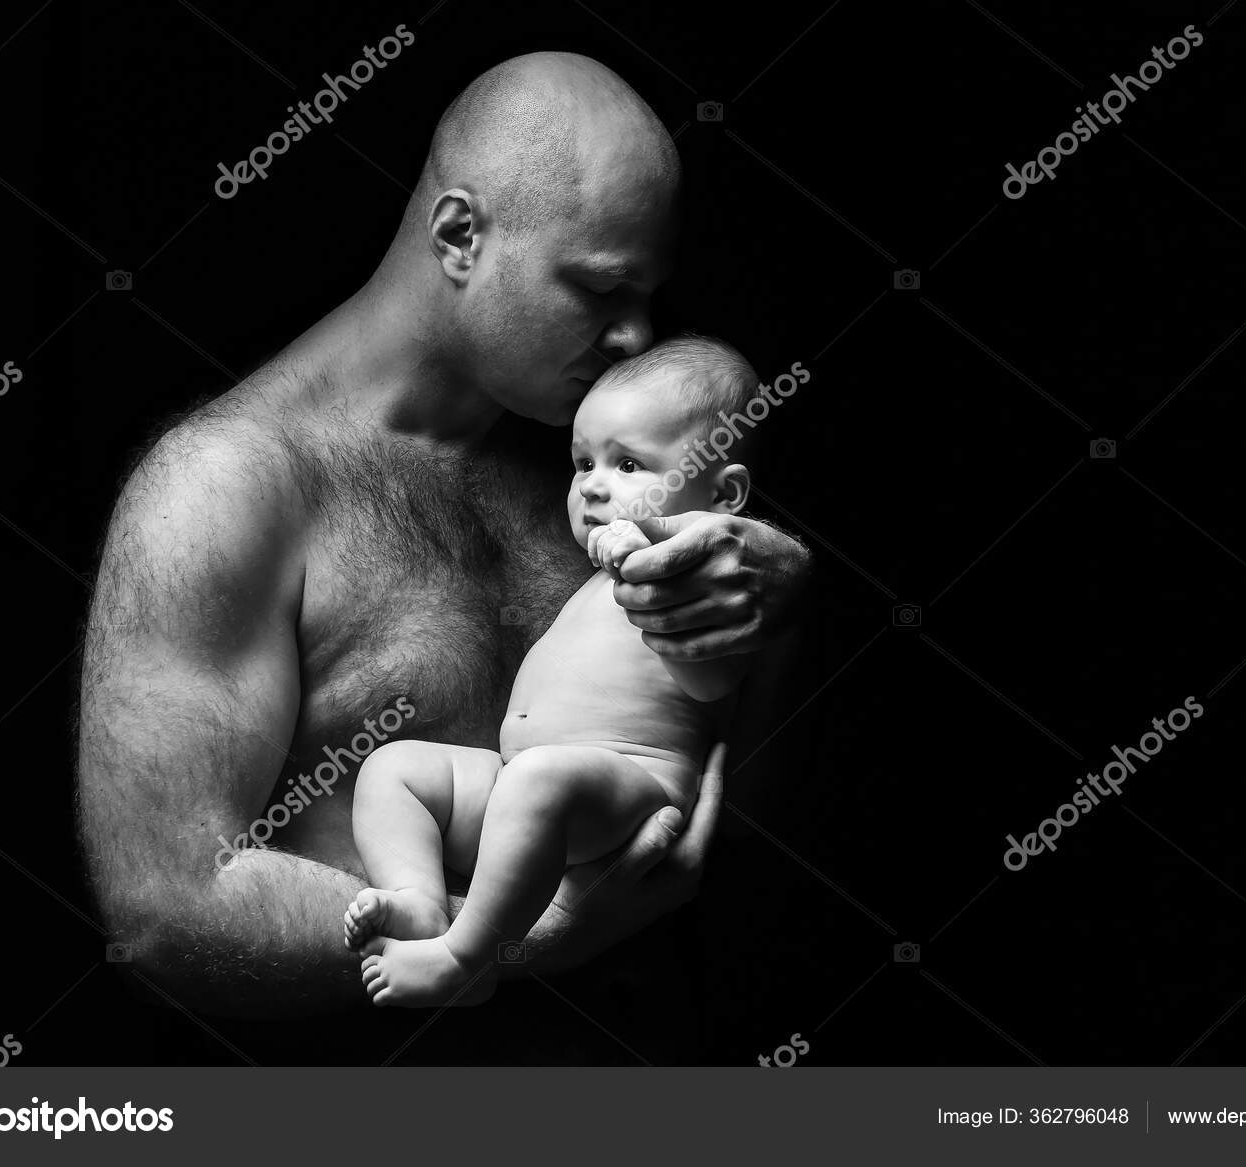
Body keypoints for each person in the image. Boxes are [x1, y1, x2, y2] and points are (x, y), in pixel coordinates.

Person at [75, 50, 811, 1029]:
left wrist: (788, 604)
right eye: (599, 291)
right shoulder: (226, 486)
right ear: (460, 236)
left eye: (646, 296)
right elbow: (165, 908)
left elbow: (746, 803)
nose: (638, 336)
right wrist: (513, 942)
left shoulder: (611, 455)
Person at [345, 336, 761, 1006]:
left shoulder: (705, 588)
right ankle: (418, 900)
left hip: (628, 792)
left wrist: (652, 573)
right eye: (583, 462)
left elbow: (715, 684)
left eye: (628, 463)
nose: (593, 483)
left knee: (539, 779)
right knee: (394, 769)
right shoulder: (594, 580)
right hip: (527, 790)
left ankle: (465, 959)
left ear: (723, 494)